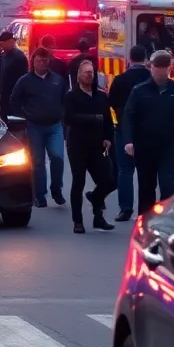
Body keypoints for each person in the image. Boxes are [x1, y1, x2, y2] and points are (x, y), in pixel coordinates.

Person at [121, 51, 174, 215]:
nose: (158, 73)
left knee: (168, 184)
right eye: (155, 69)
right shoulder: (139, 91)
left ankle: (167, 218)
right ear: (150, 68)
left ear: (168, 69)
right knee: (146, 186)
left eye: (162, 70)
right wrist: (128, 141)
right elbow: (128, 117)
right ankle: (144, 220)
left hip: (168, 147)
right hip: (144, 147)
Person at [8, 47, 67, 207]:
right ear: (33, 61)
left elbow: (65, 100)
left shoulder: (57, 80)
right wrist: (22, 119)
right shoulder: (25, 81)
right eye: (39, 60)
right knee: (38, 161)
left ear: (49, 62)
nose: (42, 63)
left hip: (55, 125)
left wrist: (63, 118)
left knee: (57, 158)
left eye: (45, 60)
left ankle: (57, 189)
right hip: (34, 126)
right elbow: (14, 101)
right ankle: (40, 195)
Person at [62, 58, 116, 234]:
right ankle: (78, 221)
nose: (89, 75)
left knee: (108, 181)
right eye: (86, 72)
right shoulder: (71, 96)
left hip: (97, 145)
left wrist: (108, 137)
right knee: (78, 182)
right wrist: (92, 119)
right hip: (77, 145)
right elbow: (69, 118)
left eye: (91, 72)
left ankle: (97, 212)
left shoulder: (100, 96)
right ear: (78, 76)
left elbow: (107, 119)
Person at [107, 45, 150, 222]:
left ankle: (125, 209)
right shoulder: (150, 78)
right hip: (146, 130)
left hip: (123, 130)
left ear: (130, 59)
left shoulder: (120, 79)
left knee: (125, 170)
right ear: (146, 58)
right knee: (146, 171)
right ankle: (145, 210)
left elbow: (111, 102)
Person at [0, 31, 28, 117]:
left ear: (10, 42)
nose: (0, 46)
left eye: (2, 43)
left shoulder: (18, 57)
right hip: (5, 92)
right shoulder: (4, 54)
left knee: (12, 118)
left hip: (13, 92)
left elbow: (22, 76)